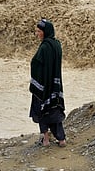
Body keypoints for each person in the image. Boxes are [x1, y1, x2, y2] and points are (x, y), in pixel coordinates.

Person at [29, 19, 67, 147]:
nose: (37, 34)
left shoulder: (45, 46)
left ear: (45, 32)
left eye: (39, 31)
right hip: (55, 85)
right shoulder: (57, 45)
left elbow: (36, 64)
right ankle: (61, 139)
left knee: (42, 110)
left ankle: (45, 139)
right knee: (55, 110)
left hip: (43, 86)